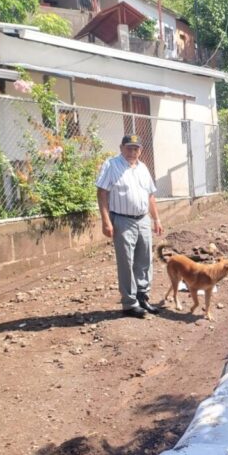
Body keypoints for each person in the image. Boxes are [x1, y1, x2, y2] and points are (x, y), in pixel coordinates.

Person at [96, 134, 164, 319]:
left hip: (143, 219)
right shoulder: (111, 165)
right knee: (126, 262)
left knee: (144, 261)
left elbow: (150, 196)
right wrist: (105, 221)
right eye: (129, 148)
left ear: (140, 150)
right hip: (122, 220)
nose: (132, 152)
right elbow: (102, 193)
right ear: (121, 147)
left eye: (136, 148)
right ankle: (129, 303)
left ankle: (142, 297)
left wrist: (156, 219)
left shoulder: (143, 168)